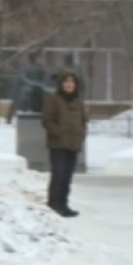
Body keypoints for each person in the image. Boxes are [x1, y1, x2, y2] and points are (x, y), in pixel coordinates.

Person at [41, 68, 87, 218]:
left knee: (67, 177)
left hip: (73, 144)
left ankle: (64, 204)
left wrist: (80, 135)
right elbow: (47, 120)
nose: (69, 85)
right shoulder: (54, 100)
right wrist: (58, 134)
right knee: (59, 175)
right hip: (58, 145)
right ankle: (54, 203)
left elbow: (83, 120)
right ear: (61, 84)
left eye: (72, 82)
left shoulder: (78, 102)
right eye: (66, 82)